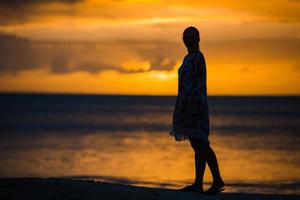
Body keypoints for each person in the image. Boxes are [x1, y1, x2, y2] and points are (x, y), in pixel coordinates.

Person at [170, 26, 225, 194]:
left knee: (202, 144)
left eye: (191, 37)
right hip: (186, 106)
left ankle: (217, 180)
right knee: (197, 144)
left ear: (198, 39)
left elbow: (198, 86)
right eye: (185, 37)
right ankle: (198, 184)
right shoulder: (188, 58)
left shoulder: (198, 58)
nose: (188, 40)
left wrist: (192, 107)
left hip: (196, 107)